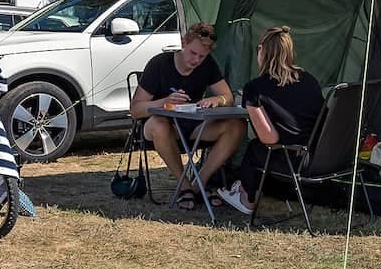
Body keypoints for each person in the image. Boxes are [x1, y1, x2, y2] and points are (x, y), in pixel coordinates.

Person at [130, 22, 245, 210]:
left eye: (202, 56)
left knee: (237, 125)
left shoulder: (207, 64)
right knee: (160, 124)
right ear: (183, 43)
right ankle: (184, 186)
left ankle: (199, 184)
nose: (196, 60)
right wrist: (165, 101)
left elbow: (228, 97)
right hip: (162, 126)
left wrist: (217, 100)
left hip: (194, 124)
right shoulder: (160, 63)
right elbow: (135, 109)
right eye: (193, 53)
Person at [217, 25, 323, 216]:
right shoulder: (310, 80)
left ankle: (246, 199)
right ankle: (244, 189)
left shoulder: (256, 88)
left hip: (293, 160)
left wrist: (249, 104)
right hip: (321, 157)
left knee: (256, 148)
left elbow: (270, 138)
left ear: (262, 51)